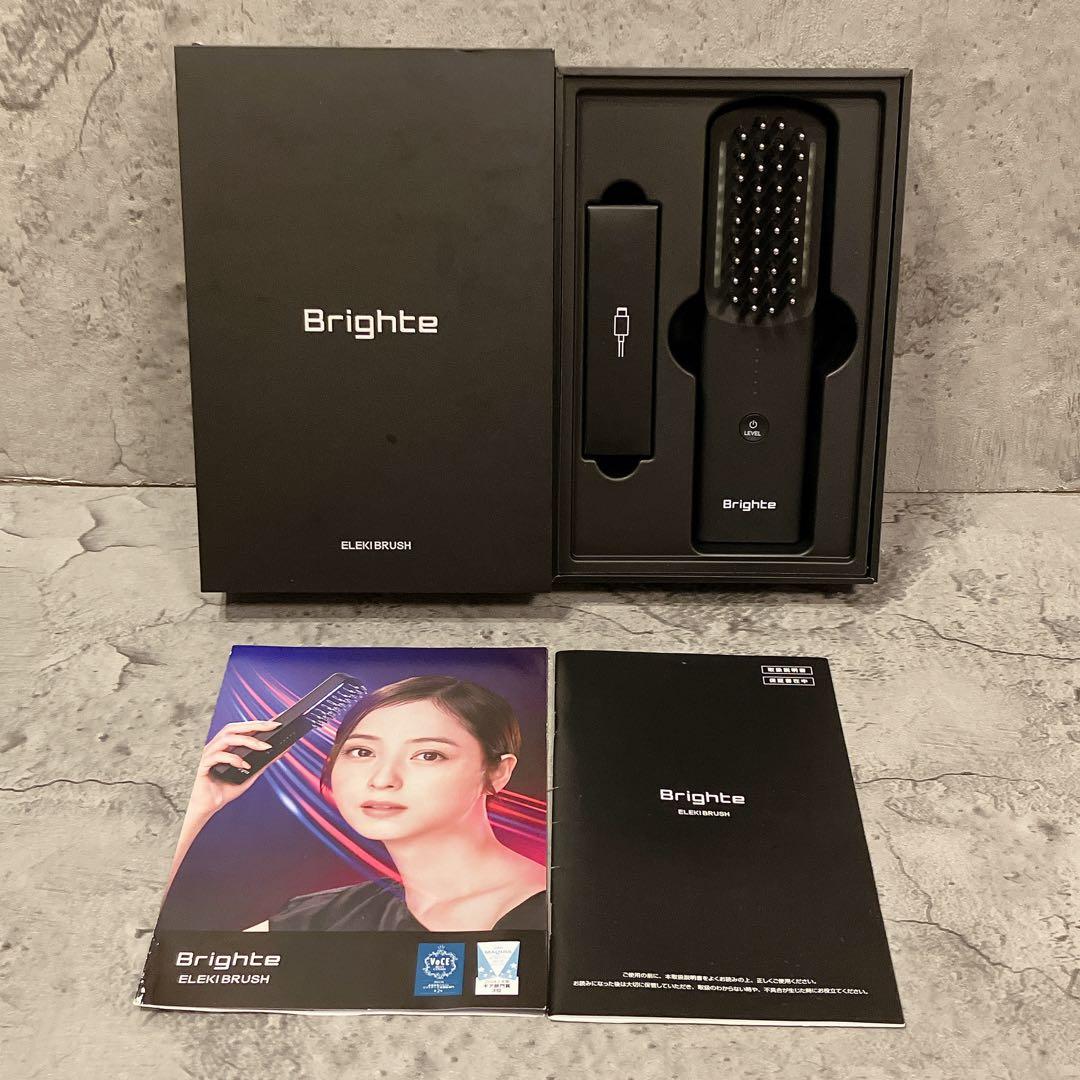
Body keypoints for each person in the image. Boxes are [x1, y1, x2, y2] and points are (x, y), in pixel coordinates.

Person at [167, 675, 546, 932]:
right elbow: (170, 970)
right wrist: (201, 804)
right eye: (362, 751)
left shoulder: (554, 911)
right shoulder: (325, 919)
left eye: (428, 755)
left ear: (497, 772)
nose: (382, 779)